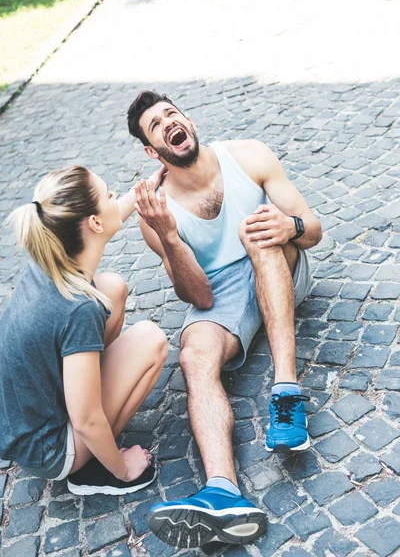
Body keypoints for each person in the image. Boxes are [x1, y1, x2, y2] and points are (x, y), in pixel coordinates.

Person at [127, 90, 323, 549]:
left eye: (171, 113)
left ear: (188, 120)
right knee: (194, 355)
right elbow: (197, 294)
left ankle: (287, 394)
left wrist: (288, 227)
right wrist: (171, 237)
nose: (169, 122)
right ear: (152, 151)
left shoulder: (248, 155)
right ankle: (223, 492)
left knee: (254, 230)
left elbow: (312, 229)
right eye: (156, 125)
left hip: (278, 260)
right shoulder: (156, 212)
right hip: (222, 292)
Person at [0, 165, 168, 496]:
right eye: (108, 194)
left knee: (112, 288)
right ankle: (91, 470)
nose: (112, 197)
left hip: (24, 417)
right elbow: (87, 420)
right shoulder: (77, 307)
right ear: (93, 223)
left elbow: (109, 216)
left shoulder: (50, 255)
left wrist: (145, 189)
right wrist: (122, 470)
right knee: (151, 341)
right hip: (48, 451)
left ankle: (85, 410)